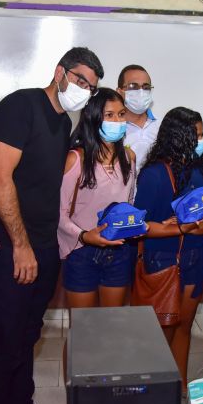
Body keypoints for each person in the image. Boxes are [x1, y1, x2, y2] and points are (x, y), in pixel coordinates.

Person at [0, 47, 103, 404]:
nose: (84, 90)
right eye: (80, 80)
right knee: (5, 343)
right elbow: (0, 178)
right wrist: (21, 245)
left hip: (44, 244)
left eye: (91, 86)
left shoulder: (62, 119)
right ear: (60, 72)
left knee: (27, 337)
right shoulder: (21, 106)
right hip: (10, 246)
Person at [134, 107, 203, 390]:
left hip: (195, 259)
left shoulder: (199, 171)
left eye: (201, 135)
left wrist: (186, 226)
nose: (199, 141)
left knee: (183, 328)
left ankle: (179, 388)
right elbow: (143, 225)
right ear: (177, 137)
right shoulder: (153, 174)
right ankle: (154, 389)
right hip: (163, 261)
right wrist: (187, 226)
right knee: (160, 331)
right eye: (194, 135)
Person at [58, 88, 136, 308]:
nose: (117, 121)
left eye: (121, 114)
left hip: (119, 250)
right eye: (109, 115)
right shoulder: (76, 159)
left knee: (111, 326)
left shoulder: (129, 158)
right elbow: (60, 213)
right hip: (82, 252)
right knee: (83, 331)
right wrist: (84, 236)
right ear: (93, 118)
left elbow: (129, 203)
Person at [117, 64, 159, 173]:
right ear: (119, 92)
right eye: (133, 86)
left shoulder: (161, 126)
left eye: (146, 87)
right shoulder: (111, 129)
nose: (141, 91)